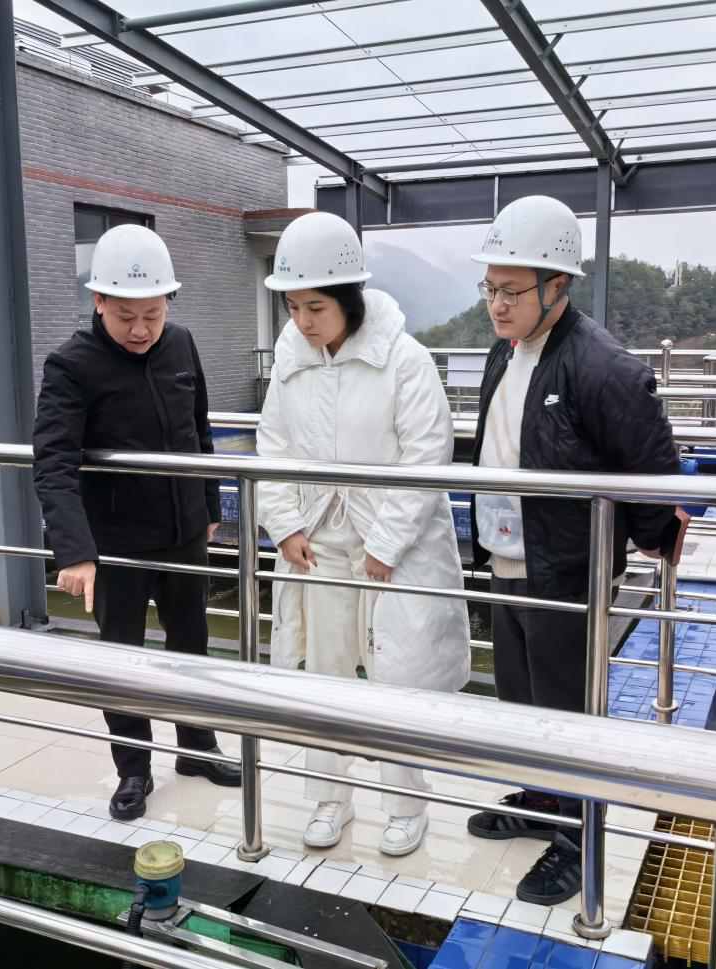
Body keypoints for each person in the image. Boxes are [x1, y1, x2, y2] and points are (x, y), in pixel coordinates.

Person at [462, 195, 686, 906]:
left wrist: (649, 536)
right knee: (521, 698)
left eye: (512, 291)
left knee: (569, 709)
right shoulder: (506, 350)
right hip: (508, 555)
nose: (497, 304)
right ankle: (542, 801)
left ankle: (580, 837)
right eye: (490, 288)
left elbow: (650, 464)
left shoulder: (600, 365)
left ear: (557, 286)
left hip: (566, 567)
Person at [256, 211, 471, 858]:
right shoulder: (291, 359)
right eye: (293, 306)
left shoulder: (404, 359)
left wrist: (387, 543)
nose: (302, 320)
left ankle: (407, 806)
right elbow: (272, 447)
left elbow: (427, 453)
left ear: (348, 298)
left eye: (315, 306)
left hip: (387, 544)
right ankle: (330, 798)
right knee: (324, 674)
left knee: (395, 676)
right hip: (319, 539)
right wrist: (284, 525)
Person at [33, 223, 241, 822]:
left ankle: (197, 748)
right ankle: (133, 768)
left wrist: (209, 507)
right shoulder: (71, 365)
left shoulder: (181, 344)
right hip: (116, 540)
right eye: (126, 316)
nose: (142, 329)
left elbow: (199, 432)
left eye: (153, 313)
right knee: (122, 657)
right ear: (98, 300)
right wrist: (75, 551)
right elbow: (53, 460)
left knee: (191, 643)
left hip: (184, 531)